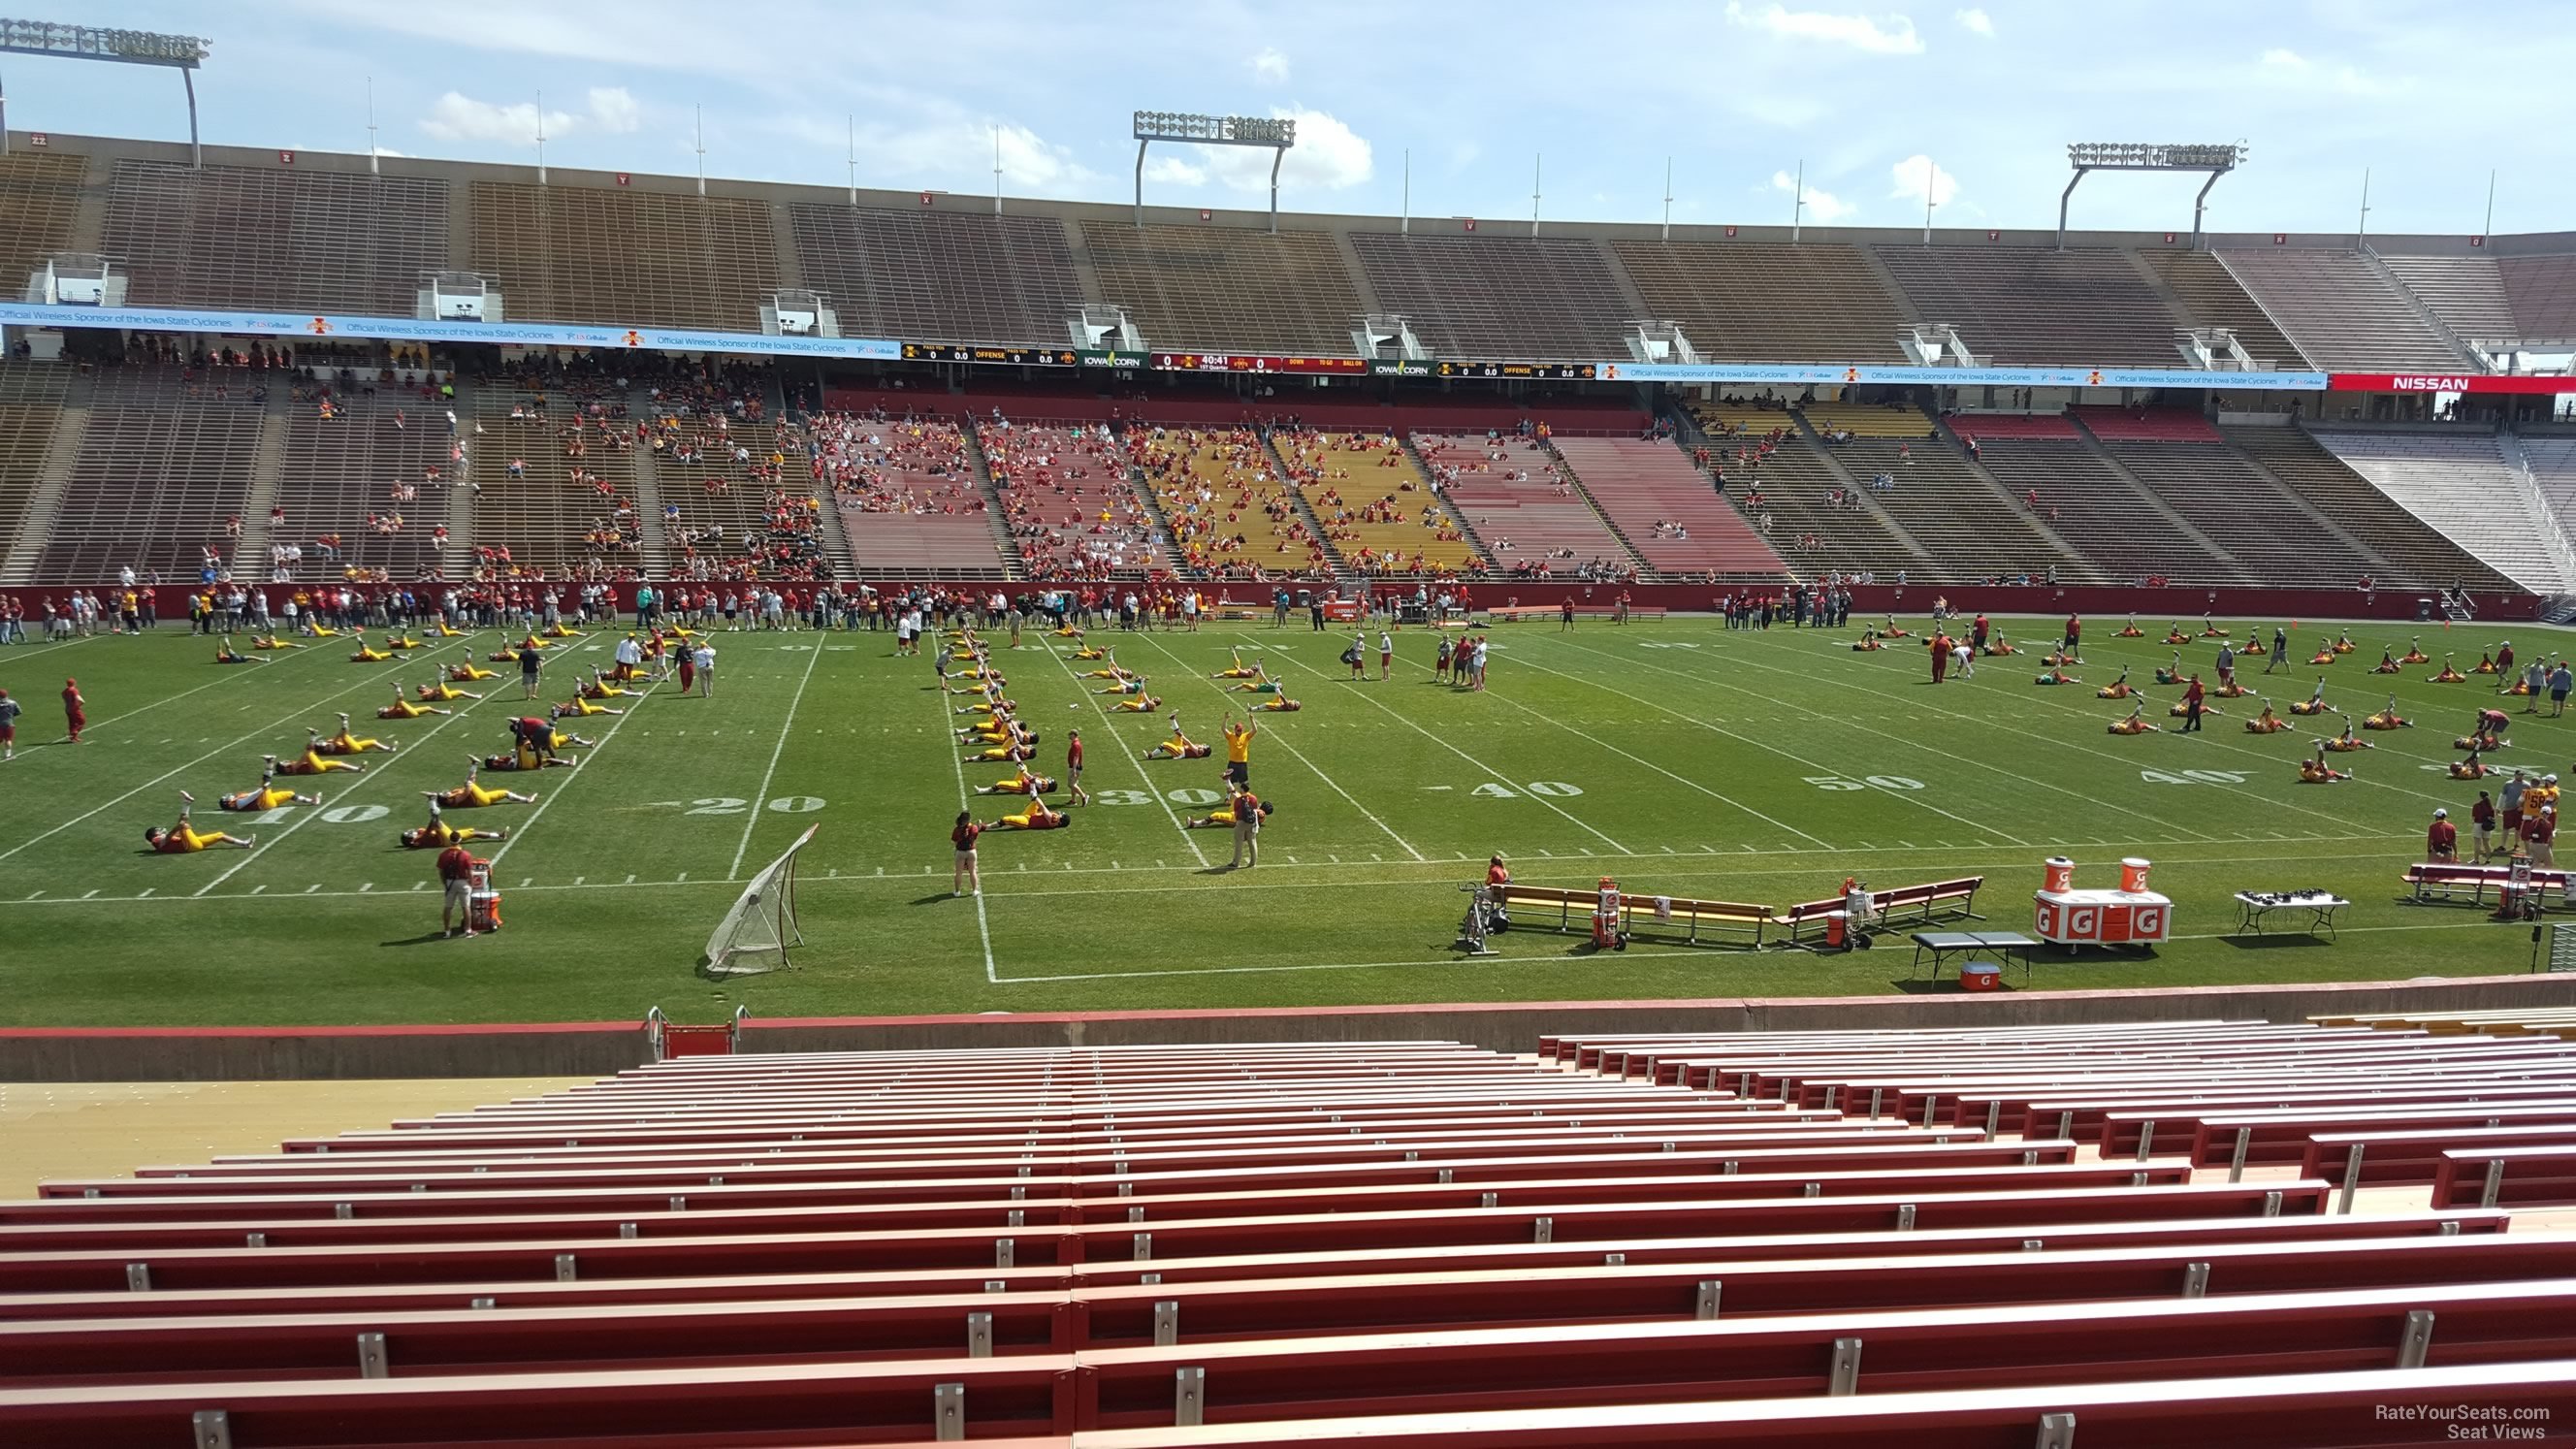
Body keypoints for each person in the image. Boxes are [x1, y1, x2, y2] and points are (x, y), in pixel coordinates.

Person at [144, 792, 255, 853]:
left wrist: (177, 829)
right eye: (158, 831)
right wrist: (176, 829)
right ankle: (186, 803)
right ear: (154, 835)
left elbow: (174, 834)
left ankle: (245, 843)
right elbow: (168, 838)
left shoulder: (162, 841)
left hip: (194, 844)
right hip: (188, 847)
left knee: (219, 835)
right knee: (183, 825)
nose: (161, 830)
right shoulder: (156, 841)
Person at [217, 759, 322, 812]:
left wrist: (261, 790)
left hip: (265, 801)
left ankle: (312, 801)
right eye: (227, 798)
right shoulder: (238, 804)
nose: (229, 796)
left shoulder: (238, 800)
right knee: (265, 783)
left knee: (289, 793)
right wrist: (262, 789)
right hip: (264, 804)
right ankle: (269, 764)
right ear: (228, 803)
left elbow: (251, 795)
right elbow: (251, 797)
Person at [436, 835, 488, 937]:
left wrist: (445, 883)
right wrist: (471, 884)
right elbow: (469, 872)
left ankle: (447, 931)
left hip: (450, 882)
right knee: (466, 907)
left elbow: (441, 872)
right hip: (463, 882)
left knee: (448, 907)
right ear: (460, 841)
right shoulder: (465, 854)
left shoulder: (443, 854)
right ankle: (468, 930)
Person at [402, 800, 507, 850]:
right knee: (437, 822)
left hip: (445, 835)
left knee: (472, 833)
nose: (413, 833)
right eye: (410, 835)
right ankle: (433, 805)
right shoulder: (416, 842)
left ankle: (499, 835)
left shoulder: (419, 833)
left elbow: (431, 829)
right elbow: (429, 832)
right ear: (411, 841)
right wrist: (433, 816)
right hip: (445, 841)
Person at [427, 761, 537, 808]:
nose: (446, 793)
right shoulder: (454, 801)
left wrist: (432, 797)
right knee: (468, 783)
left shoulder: (450, 797)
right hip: (481, 801)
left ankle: (526, 800)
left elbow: (468, 788)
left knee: (505, 792)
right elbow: (467, 792)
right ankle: (474, 765)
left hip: (483, 797)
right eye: (444, 795)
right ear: (447, 800)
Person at [313, 714, 396, 755]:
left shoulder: (328, 744)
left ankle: (389, 749)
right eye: (322, 744)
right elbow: (339, 737)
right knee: (344, 735)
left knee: (373, 742)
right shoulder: (330, 749)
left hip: (352, 746)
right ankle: (344, 719)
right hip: (353, 749)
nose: (323, 742)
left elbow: (340, 736)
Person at [1228, 782, 1263, 868]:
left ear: (1243, 789)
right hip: (1251, 822)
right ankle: (1253, 862)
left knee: (1239, 842)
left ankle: (1236, 862)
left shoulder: (1239, 800)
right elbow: (1255, 809)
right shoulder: (1253, 798)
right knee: (1252, 842)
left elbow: (1236, 811)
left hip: (1241, 822)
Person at [986, 795, 1068, 830]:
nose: (1059, 814)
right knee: (1035, 802)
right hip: (1030, 815)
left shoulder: (1054, 820)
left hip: (1028, 822)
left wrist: (1036, 797)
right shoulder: (1055, 820)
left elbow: (1043, 808)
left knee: (1006, 819)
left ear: (1060, 821)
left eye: (1061, 815)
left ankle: (986, 827)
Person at [1149, 716, 1213, 759]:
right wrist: (1181, 736)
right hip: (1181, 747)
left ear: (1204, 751)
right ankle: (1172, 719)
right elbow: (1188, 745)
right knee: (1178, 733)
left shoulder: (1199, 751)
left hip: (1180, 752)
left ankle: (1151, 755)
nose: (1204, 745)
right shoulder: (1200, 749)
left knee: (1164, 745)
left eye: (1205, 746)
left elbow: (1190, 744)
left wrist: (1182, 736)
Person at [951, 811, 982, 896]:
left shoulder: (957, 829)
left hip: (960, 852)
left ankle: (957, 891)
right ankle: (974, 891)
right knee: (972, 871)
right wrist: (979, 825)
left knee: (958, 872)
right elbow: (975, 835)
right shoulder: (973, 827)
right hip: (971, 851)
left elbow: (955, 841)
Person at [379, 685, 450, 720]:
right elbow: (396, 706)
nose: (385, 708)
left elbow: (398, 704)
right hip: (410, 714)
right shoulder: (389, 713)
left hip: (411, 711)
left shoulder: (389, 712)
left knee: (428, 708)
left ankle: (444, 712)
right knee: (401, 702)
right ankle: (398, 688)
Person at [1222, 716, 1256, 787]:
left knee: (1244, 783)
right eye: (1238, 730)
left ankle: (1244, 796)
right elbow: (1223, 729)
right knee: (1230, 783)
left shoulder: (1246, 736)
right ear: (1235, 730)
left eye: (1241, 730)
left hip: (1242, 764)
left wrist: (1252, 719)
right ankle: (1229, 797)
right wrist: (1225, 719)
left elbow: (1254, 730)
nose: (1240, 732)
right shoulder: (1231, 736)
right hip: (1232, 763)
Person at [2471, 790, 2498, 862]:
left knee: (2477, 843)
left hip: (2478, 824)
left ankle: (2476, 860)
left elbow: (2473, 817)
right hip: (2487, 825)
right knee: (2486, 843)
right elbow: (2493, 818)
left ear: (2480, 796)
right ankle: (2488, 859)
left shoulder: (2476, 805)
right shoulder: (2490, 807)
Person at [61, 678, 84, 745]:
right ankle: (73, 733)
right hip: (75, 709)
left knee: (72, 723)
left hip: (68, 709)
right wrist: (79, 705)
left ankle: (74, 738)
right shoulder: (74, 690)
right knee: (82, 721)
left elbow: (64, 698)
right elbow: (81, 700)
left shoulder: (64, 691)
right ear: (74, 683)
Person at [0, 688, 16, 761]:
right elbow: (18, 712)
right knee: (8, 740)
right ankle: (8, 755)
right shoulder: (12, 703)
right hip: (8, 724)